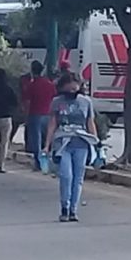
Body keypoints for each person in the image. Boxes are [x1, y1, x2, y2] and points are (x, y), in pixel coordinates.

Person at [44, 73, 98, 222]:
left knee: (78, 178)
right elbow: (52, 123)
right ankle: (64, 207)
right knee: (66, 176)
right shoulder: (57, 102)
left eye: (74, 88)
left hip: (81, 143)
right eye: (68, 89)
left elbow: (90, 123)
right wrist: (47, 145)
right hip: (62, 143)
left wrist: (96, 143)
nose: (72, 92)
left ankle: (73, 209)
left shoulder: (86, 102)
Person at [23, 60, 57, 169]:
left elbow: (27, 102)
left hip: (35, 114)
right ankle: (49, 161)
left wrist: (26, 115)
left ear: (32, 71)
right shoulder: (49, 84)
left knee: (36, 140)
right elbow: (54, 98)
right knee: (47, 139)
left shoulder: (31, 85)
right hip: (48, 114)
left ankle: (39, 163)